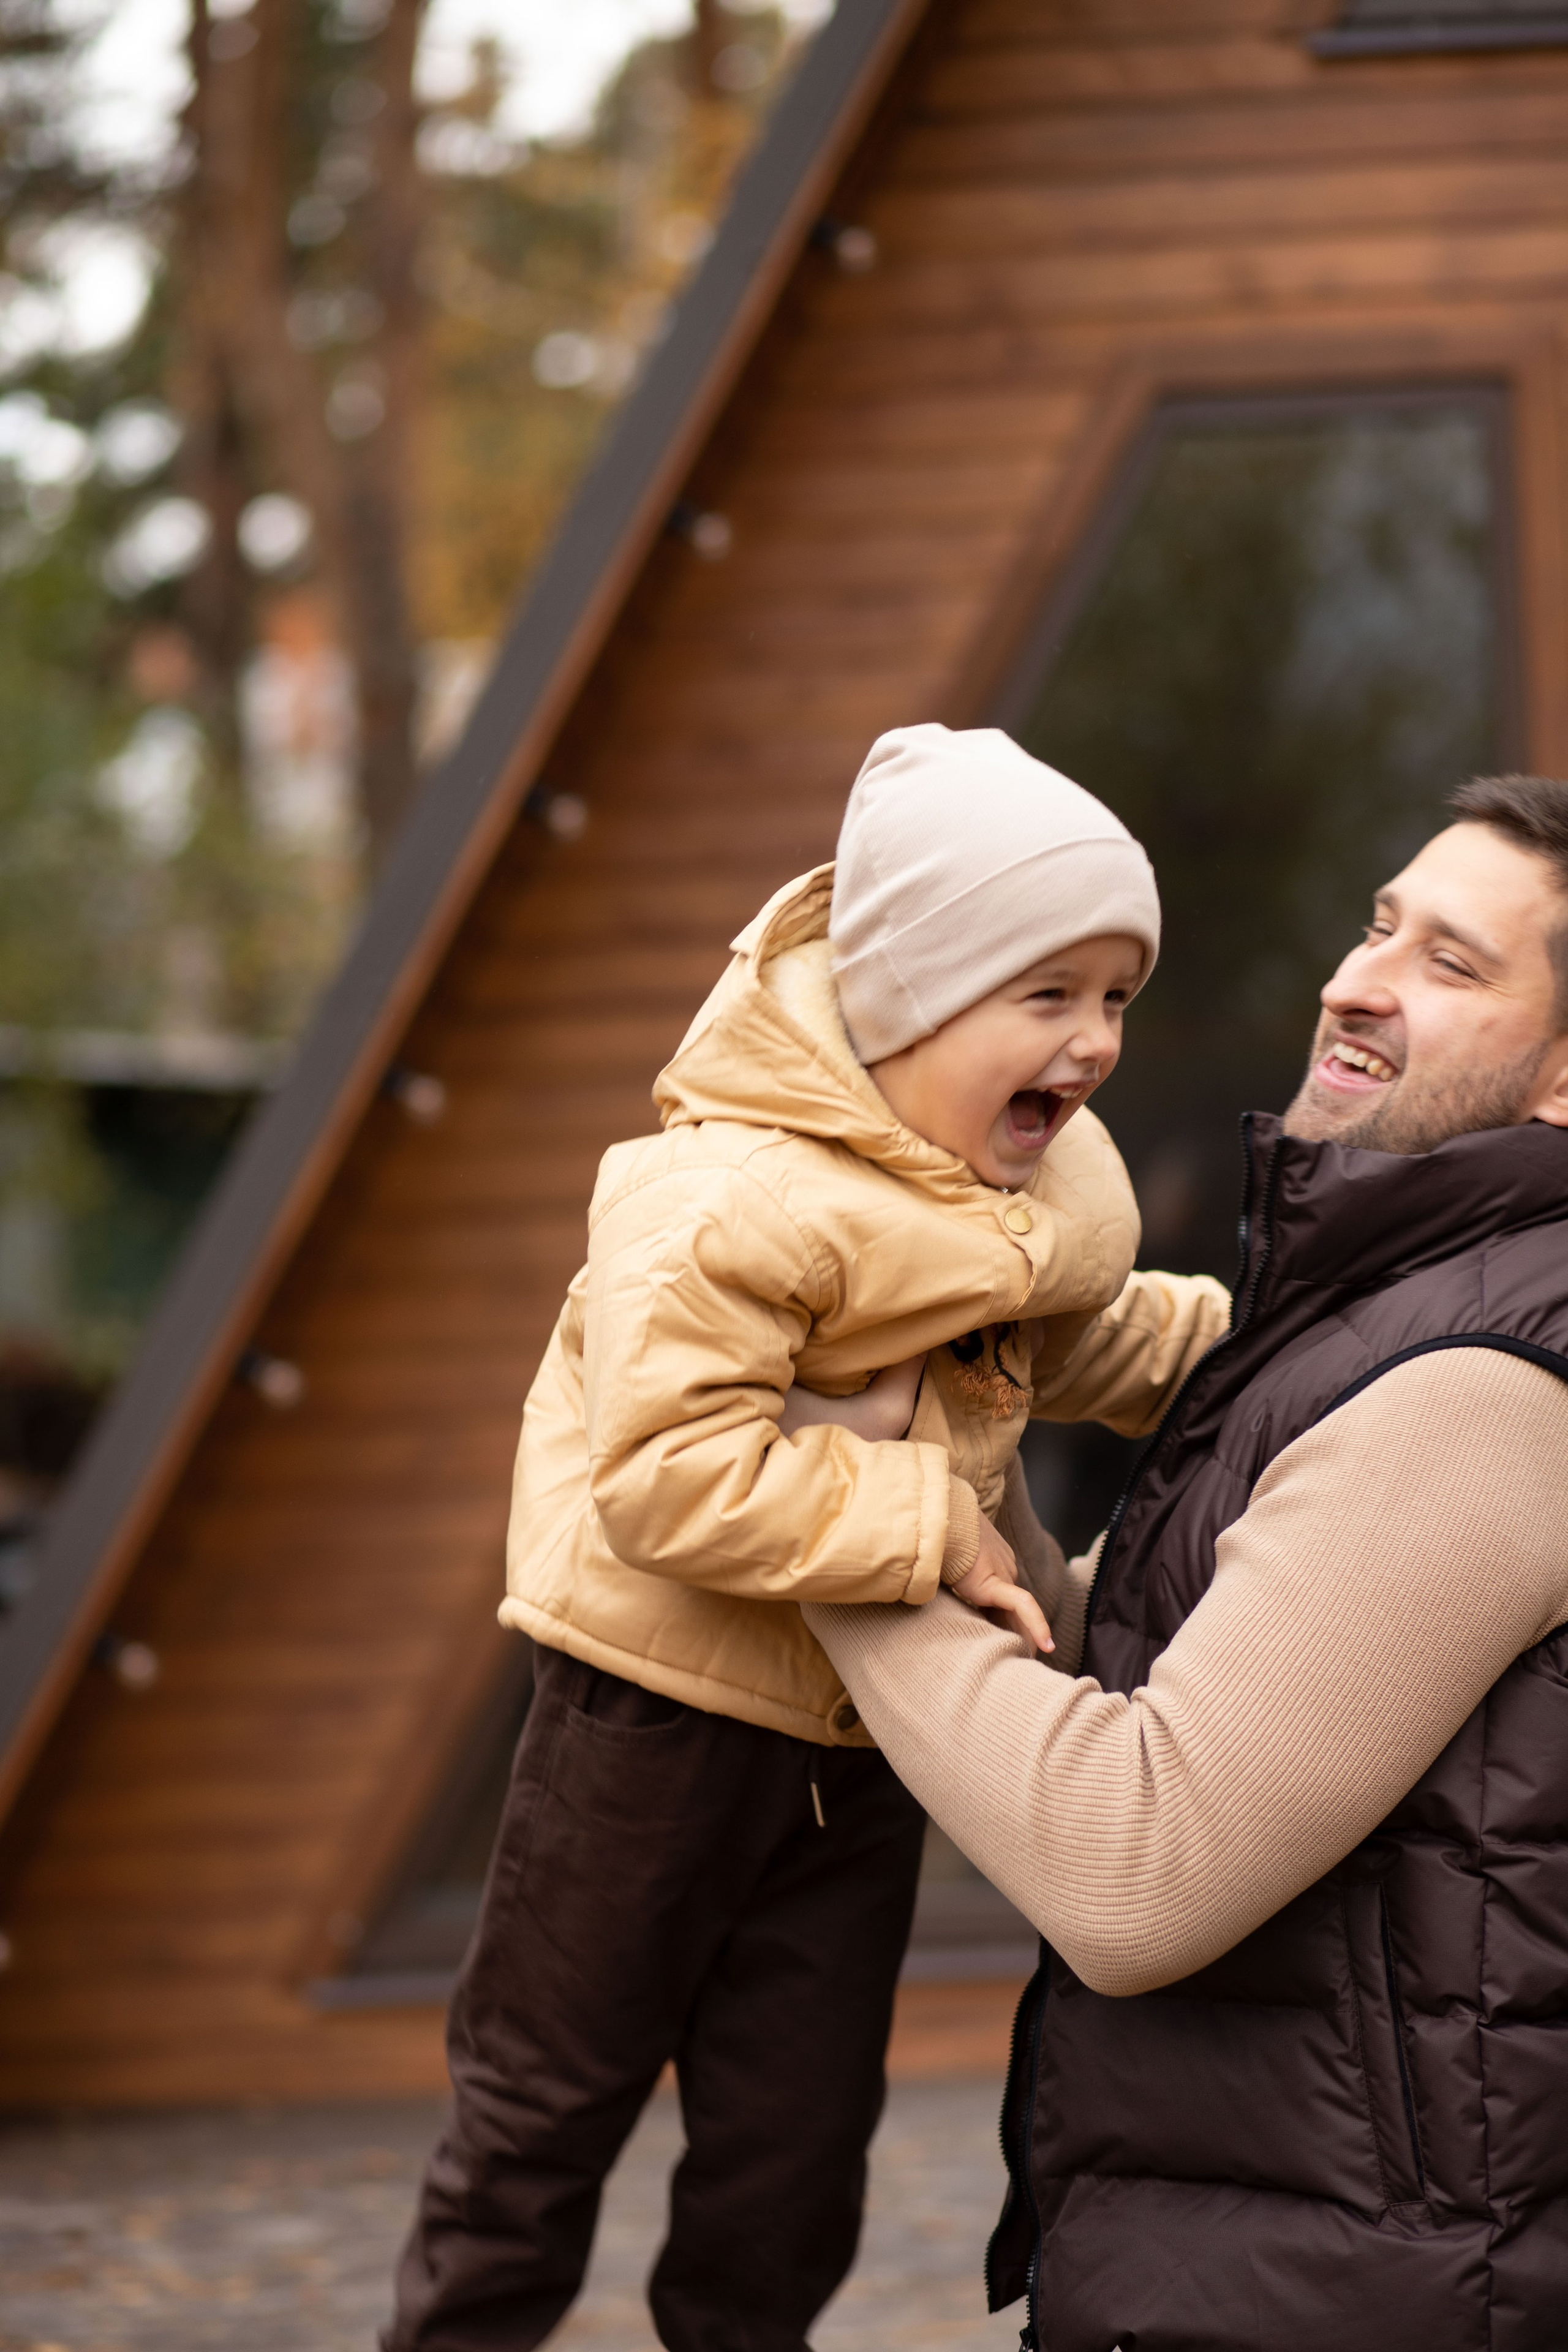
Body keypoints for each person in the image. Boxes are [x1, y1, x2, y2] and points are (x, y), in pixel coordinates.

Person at [384, 724, 1229, 2352]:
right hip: (647, 1722)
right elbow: (667, 1475)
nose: (1097, 1041)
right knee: (540, 2110)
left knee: (791, 2157)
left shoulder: (998, 1200)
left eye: (1118, 997)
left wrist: (1283, 1348)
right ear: (911, 999)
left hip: (854, 1749)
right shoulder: (728, 1199)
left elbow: (1100, 1339)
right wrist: (933, 1523)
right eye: (1049, 995)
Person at [803, 773, 1568, 2352]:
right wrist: (952, 1446)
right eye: (1380, 927)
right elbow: (1138, 1664)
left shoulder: (1486, 1388)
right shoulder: (1378, 1318)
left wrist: (824, 1518)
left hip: (1362, 2306)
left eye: (1452, 963)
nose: (1357, 983)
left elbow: (1139, 1866)